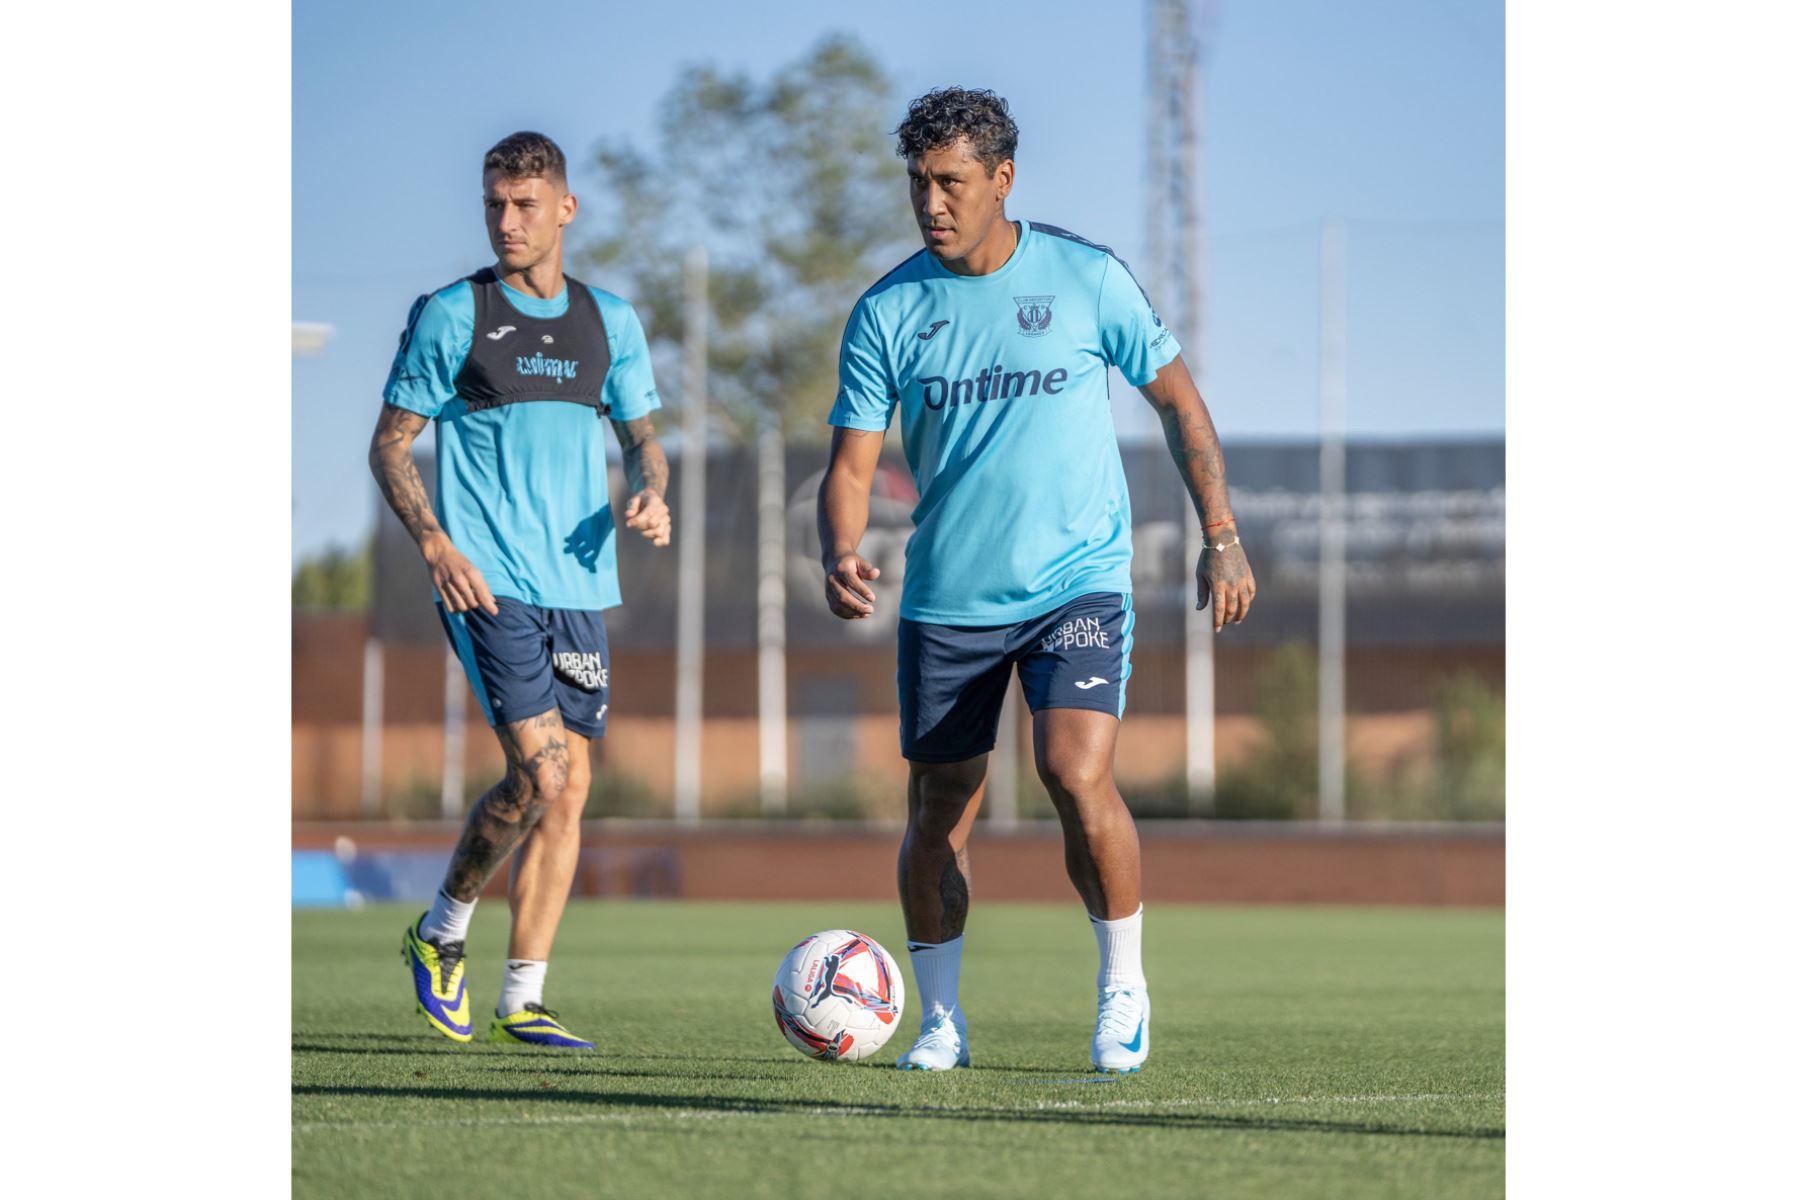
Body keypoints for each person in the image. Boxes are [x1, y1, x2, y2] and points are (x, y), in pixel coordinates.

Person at [817, 88, 1255, 1073]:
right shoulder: (888, 310)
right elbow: (850, 467)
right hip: (946, 599)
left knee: (1073, 770)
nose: (931, 202)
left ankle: (1122, 992)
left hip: (1077, 585)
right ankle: (939, 1021)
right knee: (940, 812)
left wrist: (1220, 531)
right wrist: (839, 549)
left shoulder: (1087, 278)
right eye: (919, 183)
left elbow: (1182, 405)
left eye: (952, 183)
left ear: (1002, 180)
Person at [370, 131, 671, 1049]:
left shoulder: (610, 321)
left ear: (565, 209)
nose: (508, 220)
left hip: (578, 585)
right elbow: (390, 444)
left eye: (526, 203)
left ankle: (523, 997)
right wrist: (433, 543)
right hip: (487, 582)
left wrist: (654, 488)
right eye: (495, 203)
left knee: (569, 792)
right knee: (538, 773)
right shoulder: (454, 315)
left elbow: (642, 438)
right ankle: (441, 933)